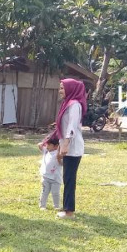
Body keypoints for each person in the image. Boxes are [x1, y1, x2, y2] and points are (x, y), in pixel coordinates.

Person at [55, 79, 86, 219]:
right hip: (68, 145)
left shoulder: (74, 105)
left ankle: (69, 212)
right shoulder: (67, 103)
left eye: (62, 88)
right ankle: (67, 207)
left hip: (73, 148)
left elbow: (71, 127)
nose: (60, 91)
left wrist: (66, 144)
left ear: (70, 89)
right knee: (67, 178)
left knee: (69, 179)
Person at [38, 134, 62, 211]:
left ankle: (56, 206)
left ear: (56, 146)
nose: (47, 146)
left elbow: (61, 163)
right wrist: (44, 142)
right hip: (46, 177)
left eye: (49, 144)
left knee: (55, 193)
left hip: (56, 178)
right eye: (46, 144)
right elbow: (39, 145)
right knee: (44, 192)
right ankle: (42, 205)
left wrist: (59, 158)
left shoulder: (59, 153)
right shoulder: (46, 151)